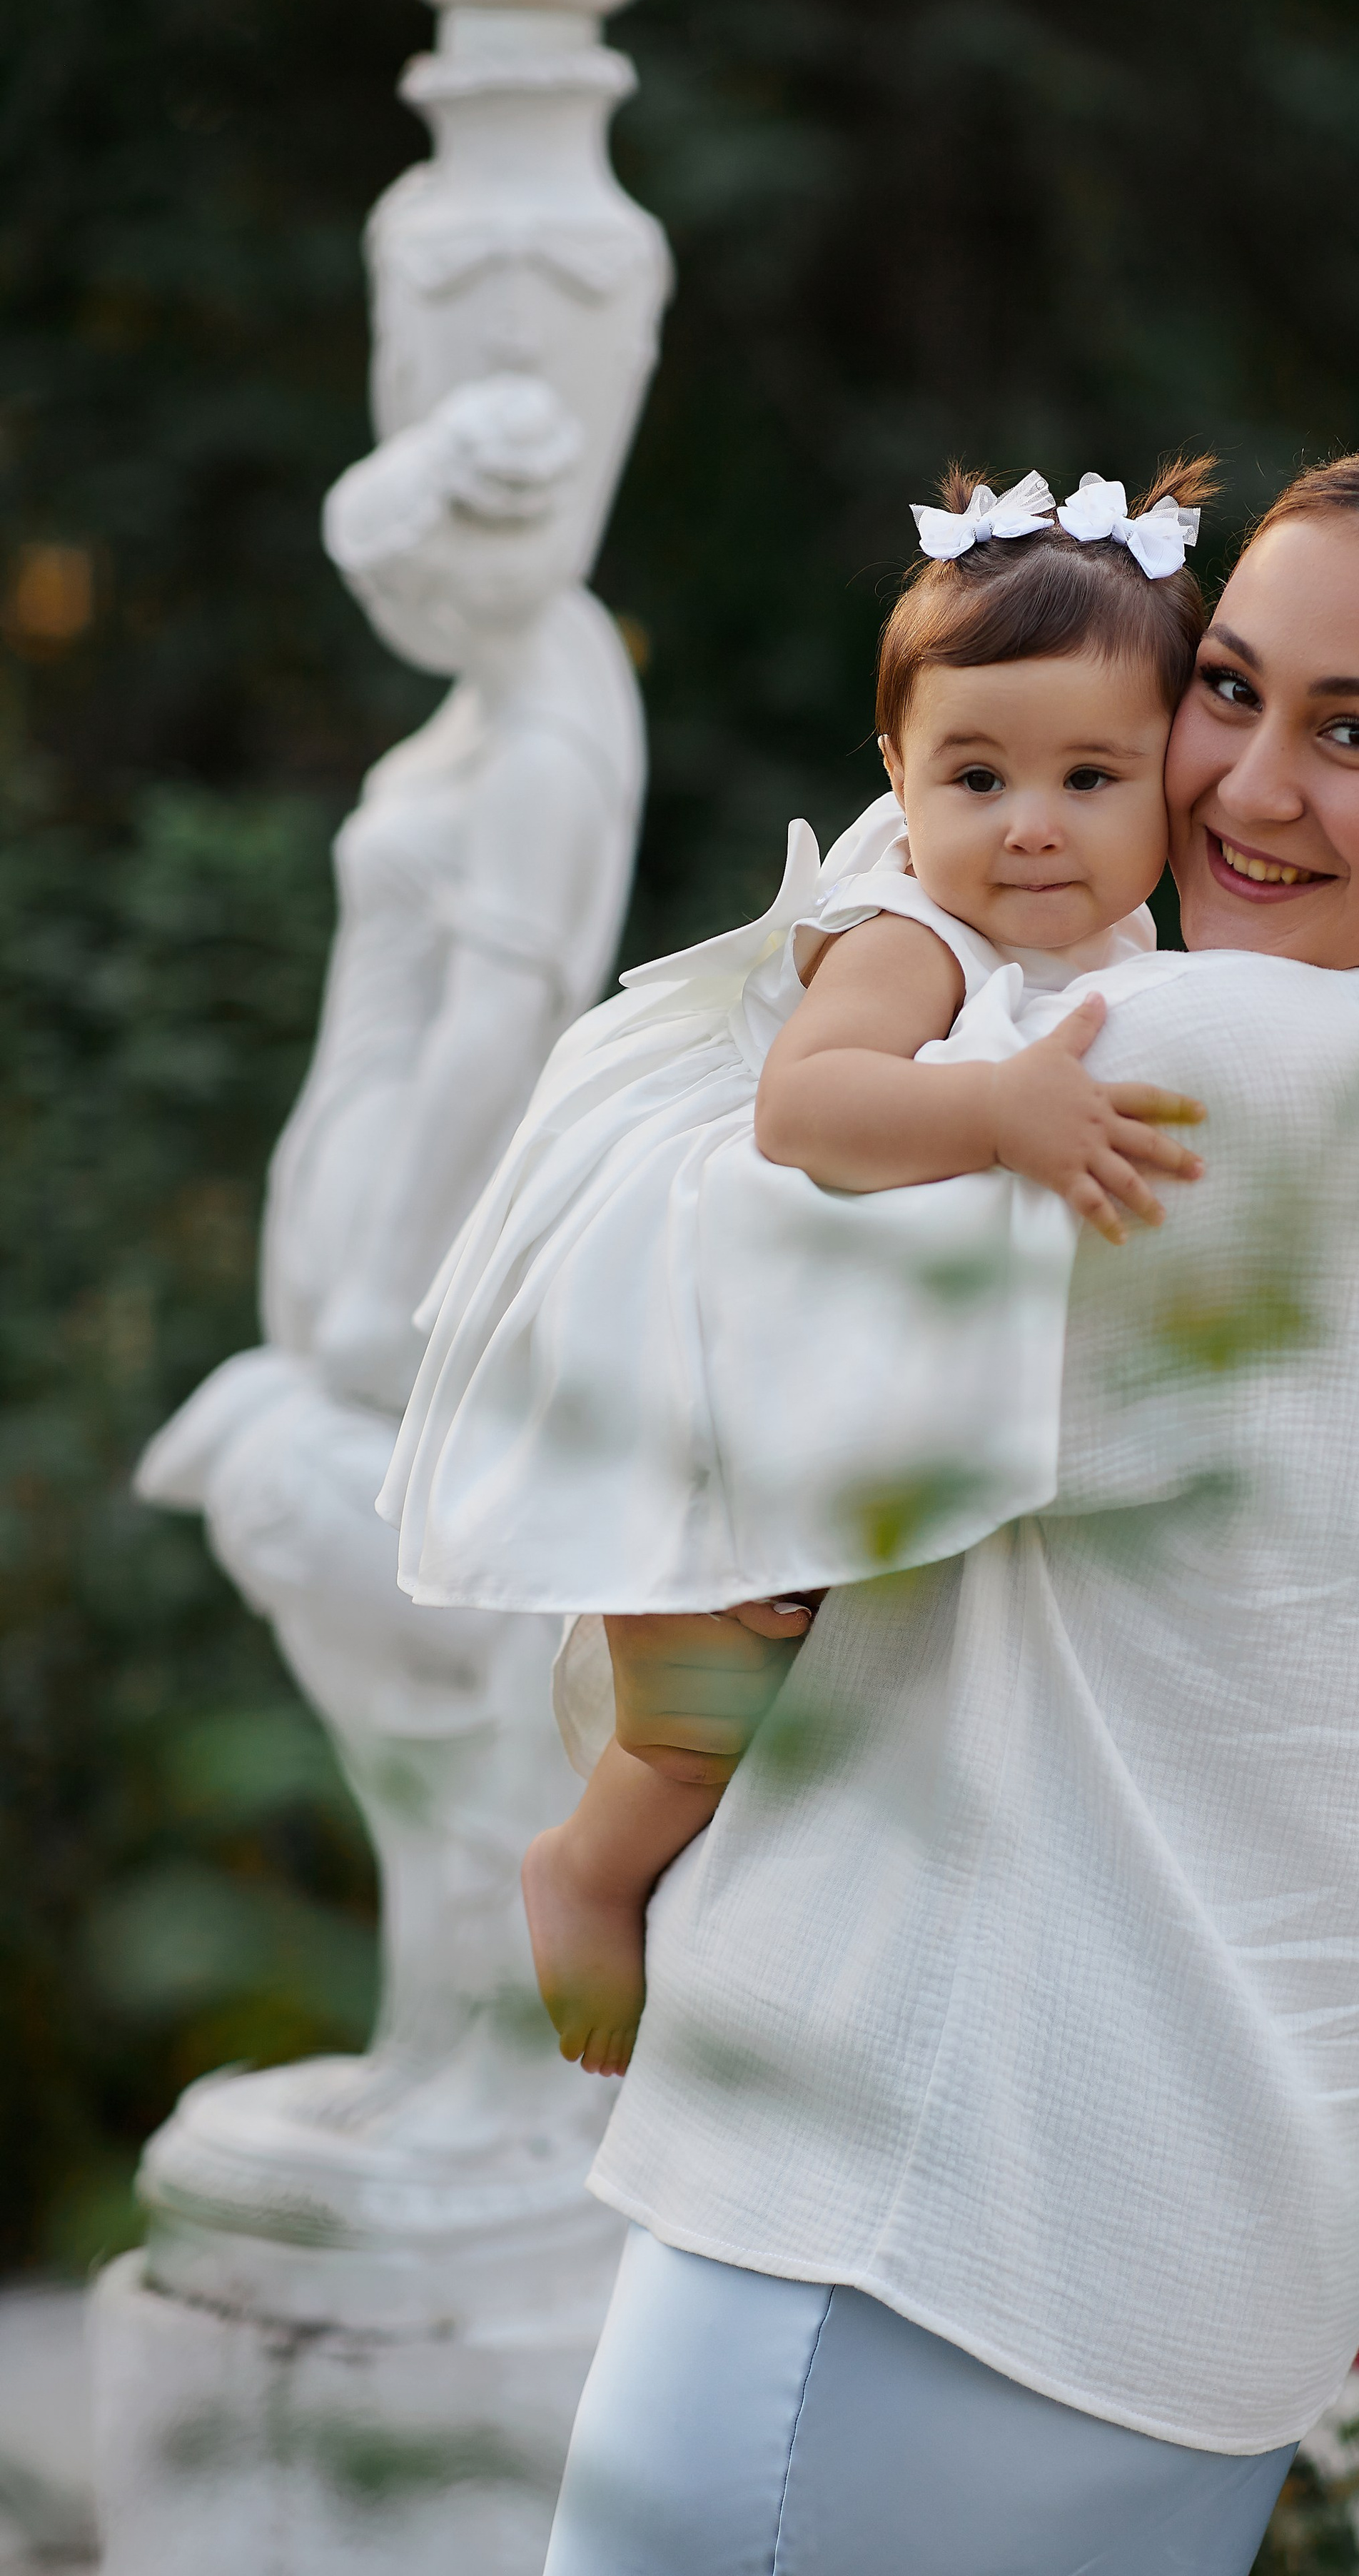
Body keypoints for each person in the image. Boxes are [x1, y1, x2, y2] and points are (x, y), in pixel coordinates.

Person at [529, 437, 1359, 2576]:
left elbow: (672, 1317)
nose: (1242, 788)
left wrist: (896, 928)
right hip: (1200, 2167)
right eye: (1223, 690)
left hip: (970, 2165)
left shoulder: (1202, 1063)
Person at [384, 457, 1220, 2071]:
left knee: (811, 1688)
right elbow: (806, 1115)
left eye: (1089, 780)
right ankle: (584, 1866)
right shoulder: (915, 937)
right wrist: (1001, 1111)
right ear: (896, 776)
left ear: (1171, 783)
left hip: (809, 1342)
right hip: (695, 1335)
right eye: (973, 778)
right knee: (707, 1711)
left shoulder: (1112, 944)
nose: (1029, 828)